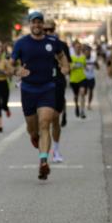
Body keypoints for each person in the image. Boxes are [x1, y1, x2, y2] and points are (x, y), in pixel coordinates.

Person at [10, 12, 69, 180]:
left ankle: (43, 161)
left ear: (43, 24)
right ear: (30, 24)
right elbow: (11, 64)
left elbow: (61, 56)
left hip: (47, 88)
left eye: (39, 22)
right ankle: (34, 137)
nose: (37, 25)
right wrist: (16, 71)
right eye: (34, 22)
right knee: (33, 129)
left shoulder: (52, 42)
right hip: (28, 89)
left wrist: (64, 67)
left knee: (45, 123)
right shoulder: (21, 43)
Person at [41, 20, 70, 163]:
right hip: (41, 84)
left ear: (54, 30)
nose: (47, 33)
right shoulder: (37, 45)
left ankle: (56, 150)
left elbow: (67, 65)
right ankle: (44, 153)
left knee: (54, 119)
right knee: (44, 120)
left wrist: (63, 66)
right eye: (44, 30)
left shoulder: (62, 45)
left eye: (50, 30)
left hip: (57, 84)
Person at [68, 46, 87, 119]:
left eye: (79, 48)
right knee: (76, 96)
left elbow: (85, 66)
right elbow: (69, 67)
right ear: (74, 49)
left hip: (82, 78)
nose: (78, 49)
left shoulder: (83, 57)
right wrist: (73, 66)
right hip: (73, 79)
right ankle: (76, 105)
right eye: (76, 48)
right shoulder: (71, 57)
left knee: (82, 93)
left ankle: (82, 111)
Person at [82, 44, 97, 112]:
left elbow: (98, 67)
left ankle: (89, 103)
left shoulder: (93, 58)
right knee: (84, 92)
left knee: (91, 91)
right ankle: (83, 101)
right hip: (84, 77)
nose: (87, 52)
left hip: (91, 77)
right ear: (84, 52)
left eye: (89, 51)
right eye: (86, 51)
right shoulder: (82, 58)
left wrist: (96, 64)